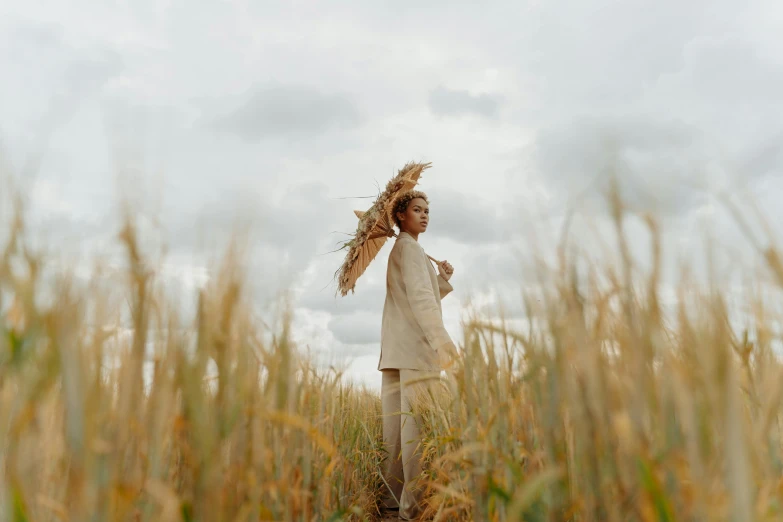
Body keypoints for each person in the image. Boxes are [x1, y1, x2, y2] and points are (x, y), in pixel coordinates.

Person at [377, 190, 456, 520]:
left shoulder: (405, 249)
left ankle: (389, 504)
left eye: (427, 210)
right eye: (416, 210)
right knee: (415, 435)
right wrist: (443, 343)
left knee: (393, 436)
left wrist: (442, 279)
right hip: (415, 354)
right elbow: (422, 303)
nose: (424, 215)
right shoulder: (410, 250)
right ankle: (413, 510)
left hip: (397, 352)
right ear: (400, 216)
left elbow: (415, 296)